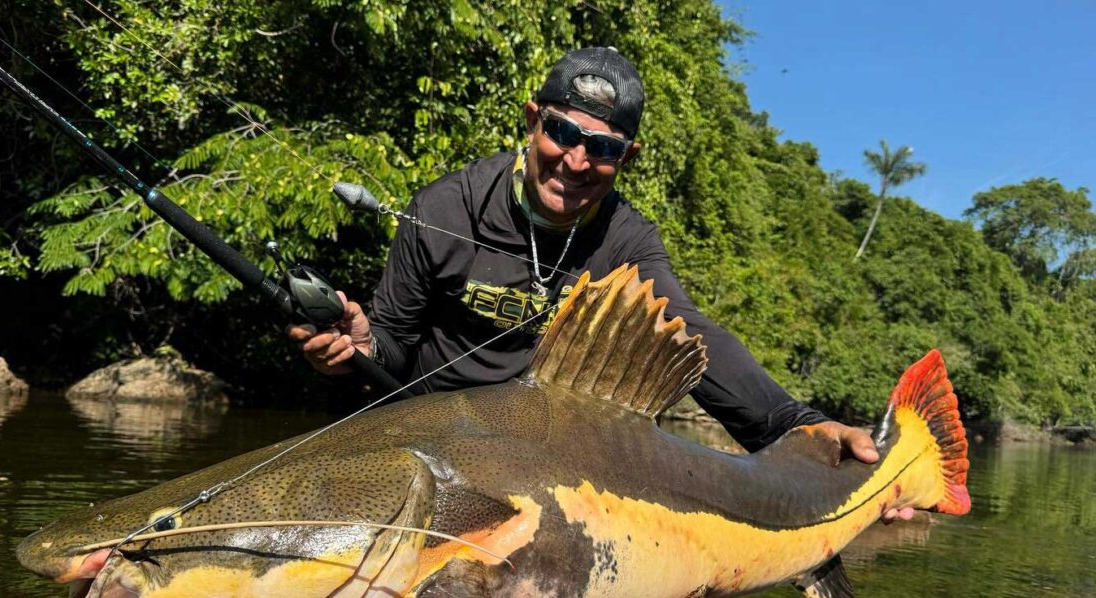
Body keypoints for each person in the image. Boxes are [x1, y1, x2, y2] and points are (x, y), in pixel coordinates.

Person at [290, 46, 913, 519]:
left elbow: (692, 339)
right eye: (562, 132)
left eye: (603, 148)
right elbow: (394, 348)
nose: (577, 161)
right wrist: (361, 349)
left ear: (628, 157)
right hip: (440, 437)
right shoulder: (444, 210)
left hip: (558, 449)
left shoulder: (626, 240)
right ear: (533, 120)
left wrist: (794, 429)